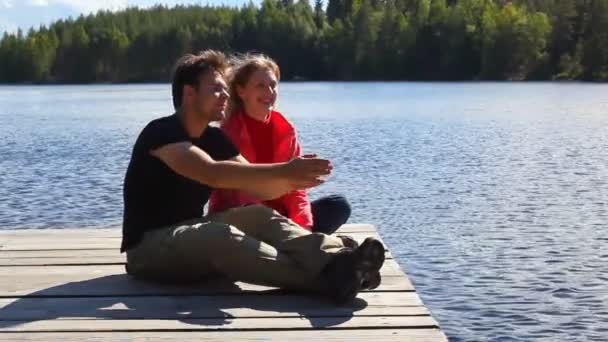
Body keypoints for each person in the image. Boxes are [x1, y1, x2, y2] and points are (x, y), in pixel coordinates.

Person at [120, 50, 384, 304]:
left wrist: (294, 181)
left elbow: (258, 188)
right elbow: (212, 173)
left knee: (256, 213)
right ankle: (330, 280)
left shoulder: (214, 138)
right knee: (218, 234)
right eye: (216, 89)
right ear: (189, 94)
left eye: (225, 88)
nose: (225, 95)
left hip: (189, 234)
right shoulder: (162, 133)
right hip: (148, 250)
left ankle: (338, 256)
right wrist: (284, 170)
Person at [208, 54, 351, 234]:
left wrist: (303, 228)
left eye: (273, 85)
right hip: (242, 218)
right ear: (241, 91)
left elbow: (296, 191)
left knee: (338, 205)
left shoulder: (286, 129)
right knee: (253, 222)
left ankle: (297, 243)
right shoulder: (227, 134)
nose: (269, 92)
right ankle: (292, 246)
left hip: (282, 218)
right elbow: (240, 194)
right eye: (261, 86)